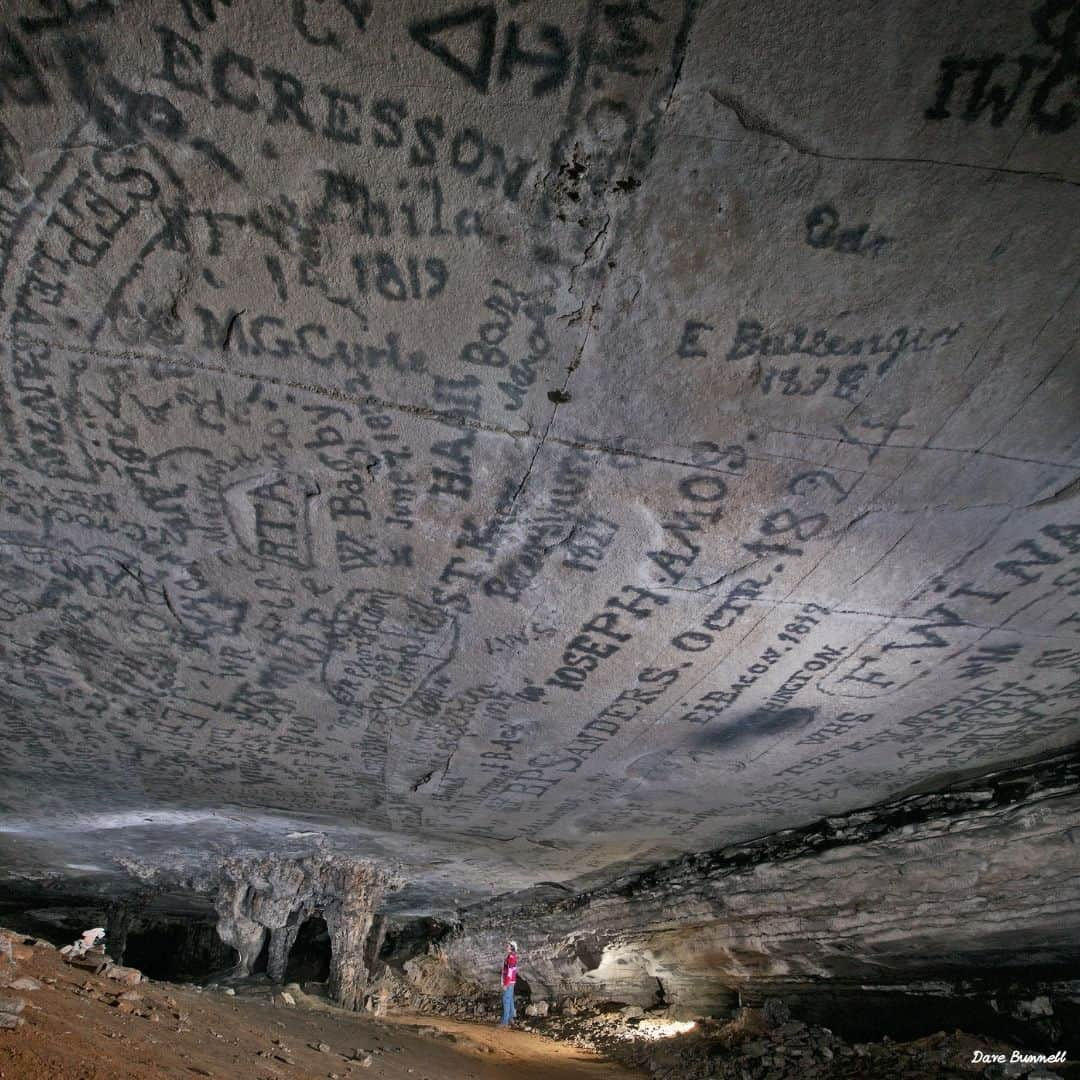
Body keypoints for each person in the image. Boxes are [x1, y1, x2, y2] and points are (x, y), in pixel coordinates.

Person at [498, 940, 518, 1026]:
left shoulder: (511, 957)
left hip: (509, 982)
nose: (506, 946)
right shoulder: (511, 956)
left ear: (512, 947)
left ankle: (504, 1022)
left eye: (508, 945)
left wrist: (505, 984)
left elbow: (510, 972)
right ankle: (510, 1018)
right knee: (509, 1000)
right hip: (511, 982)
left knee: (506, 1000)